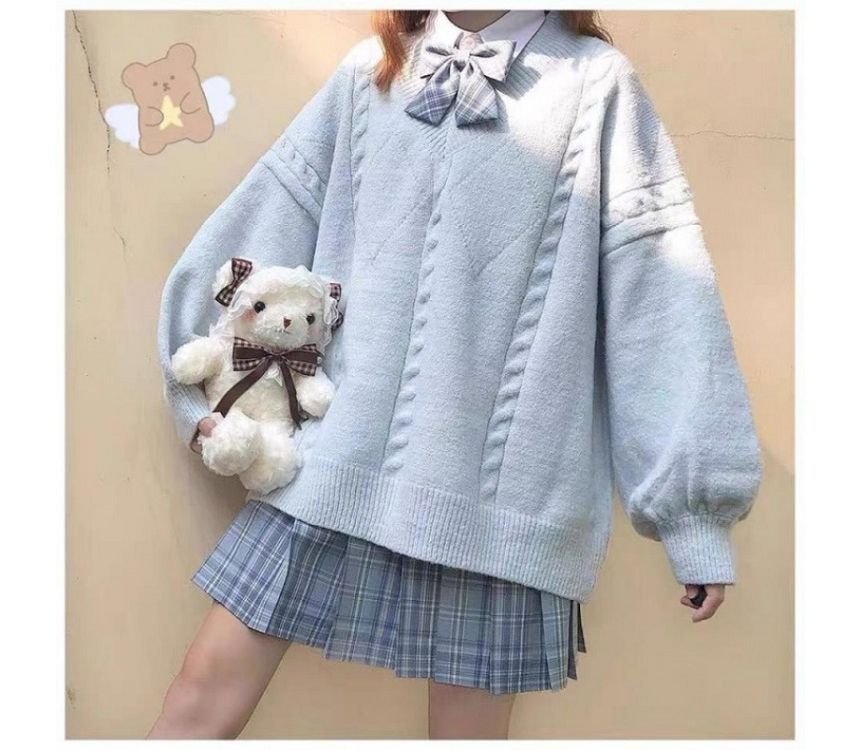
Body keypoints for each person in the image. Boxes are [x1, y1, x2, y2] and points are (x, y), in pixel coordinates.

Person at [150, 8, 763, 740]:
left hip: (503, 508)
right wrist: (203, 389)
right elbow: (274, 211)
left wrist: (694, 518)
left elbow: (657, 293)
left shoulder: (599, 84)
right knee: (200, 697)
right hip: (332, 463)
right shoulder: (371, 70)